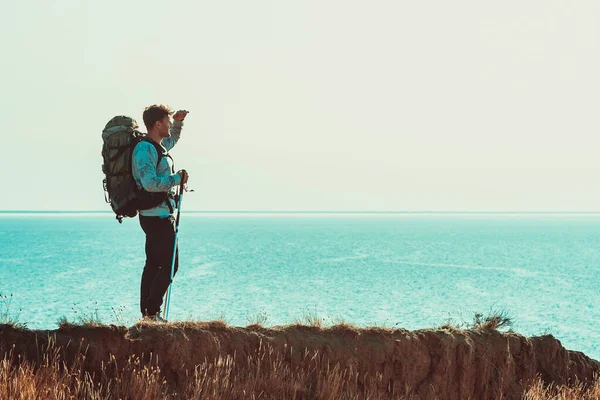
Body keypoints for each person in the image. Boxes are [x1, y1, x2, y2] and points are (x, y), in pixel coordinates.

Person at [131, 104, 190, 320]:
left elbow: (171, 139)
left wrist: (179, 122)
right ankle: (153, 312)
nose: (168, 124)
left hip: (157, 214)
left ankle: (148, 314)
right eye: (166, 121)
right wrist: (177, 179)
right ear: (157, 124)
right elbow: (149, 182)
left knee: (154, 264)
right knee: (170, 265)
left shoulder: (157, 146)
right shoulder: (145, 149)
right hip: (155, 216)